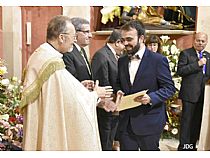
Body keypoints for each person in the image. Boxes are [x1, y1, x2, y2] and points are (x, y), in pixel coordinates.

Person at [19, 15, 115, 151]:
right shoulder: (52, 63)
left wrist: (79, 86)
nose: (74, 40)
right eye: (73, 36)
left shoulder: (41, 54)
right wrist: (95, 95)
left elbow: (56, 93)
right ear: (61, 37)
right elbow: (74, 101)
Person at [116, 20, 176, 151]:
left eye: (129, 39)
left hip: (150, 122)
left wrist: (151, 98)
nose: (125, 43)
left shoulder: (158, 60)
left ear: (141, 38)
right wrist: (119, 91)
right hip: (126, 123)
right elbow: (119, 83)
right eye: (123, 39)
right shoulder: (122, 61)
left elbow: (170, 88)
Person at [91, 29, 125, 150]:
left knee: (110, 139)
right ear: (117, 42)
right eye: (123, 44)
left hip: (114, 106)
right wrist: (109, 101)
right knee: (104, 141)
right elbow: (102, 82)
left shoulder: (112, 55)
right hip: (106, 107)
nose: (124, 48)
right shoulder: (101, 55)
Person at [177, 32, 210, 151]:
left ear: (206, 42)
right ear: (194, 41)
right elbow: (180, 71)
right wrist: (198, 64)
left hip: (204, 95)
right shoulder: (186, 54)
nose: (200, 43)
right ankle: (184, 147)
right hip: (189, 94)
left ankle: (192, 146)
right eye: (198, 40)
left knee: (197, 122)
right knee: (187, 122)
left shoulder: (208, 55)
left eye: (203, 41)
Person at [63, 17, 92, 82]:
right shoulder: (68, 52)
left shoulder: (81, 50)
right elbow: (71, 78)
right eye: (86, 32)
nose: (90, 35)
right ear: (75, 33)